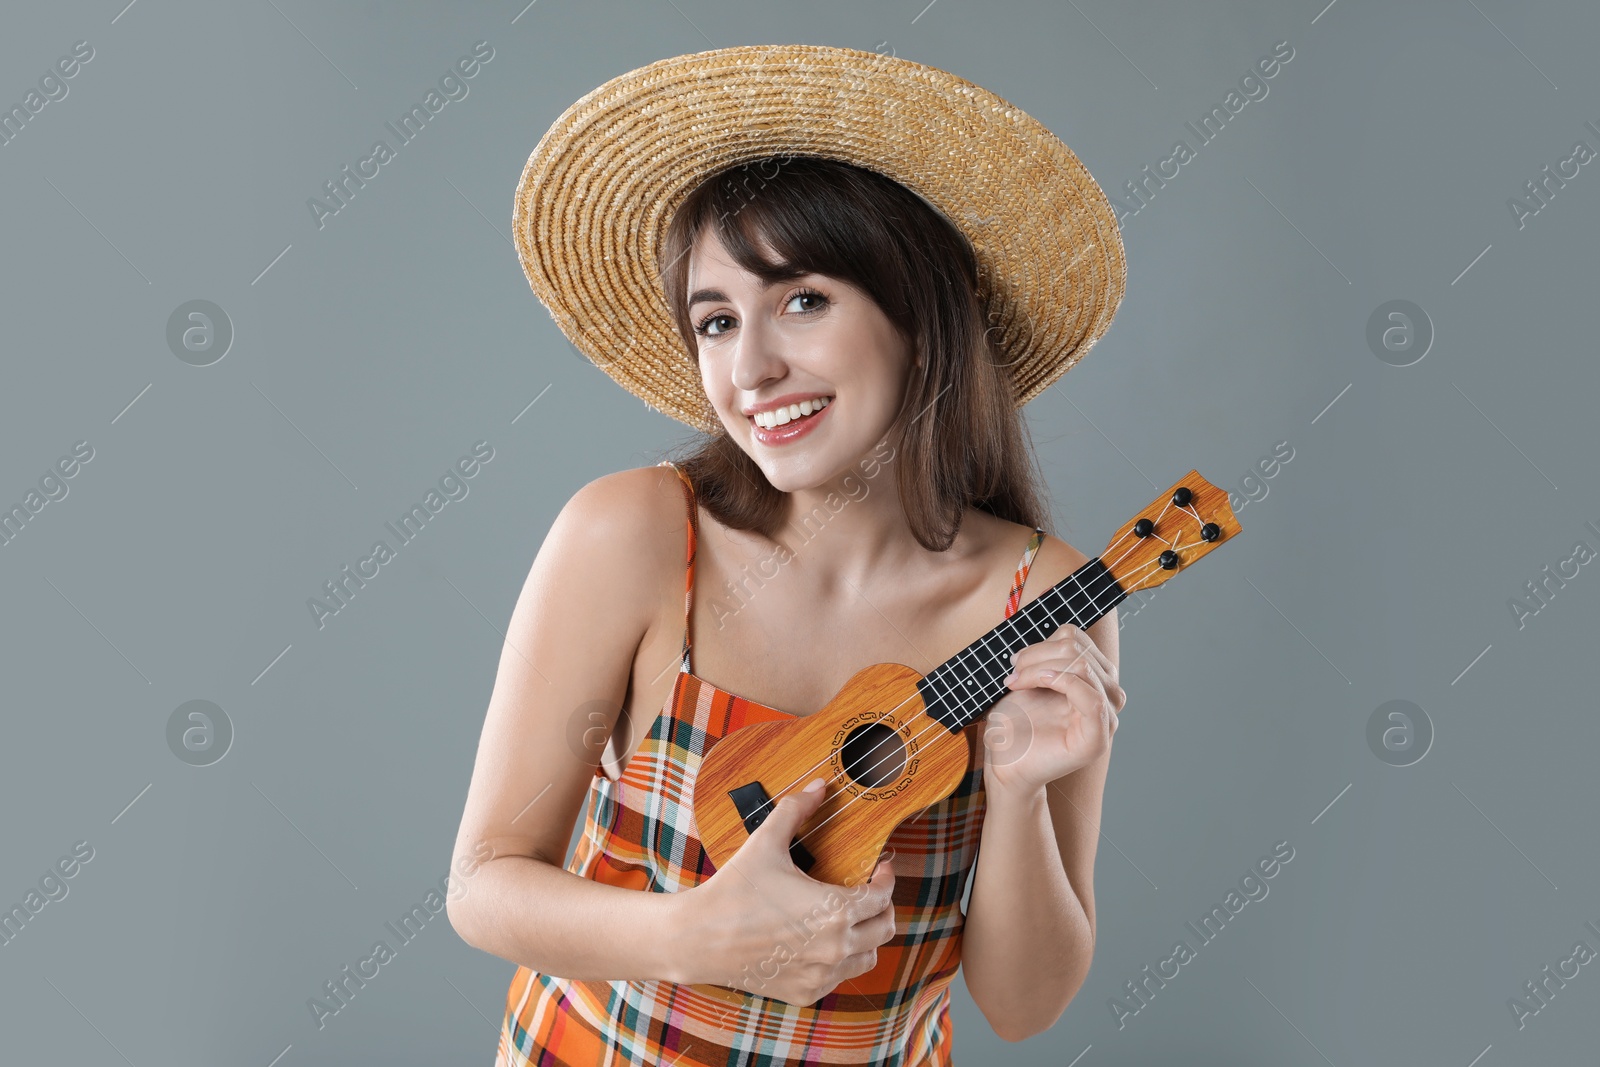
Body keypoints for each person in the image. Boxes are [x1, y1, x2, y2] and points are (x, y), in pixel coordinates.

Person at [447, 45, 1129, 1066]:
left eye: (803, 299)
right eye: (715, 320)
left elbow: (1024, 1006)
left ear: (919, 316)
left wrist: (1020, 787)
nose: (752, 368)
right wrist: (697, 933)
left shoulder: (1038, 597)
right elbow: (485, 882)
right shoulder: (638, 535)